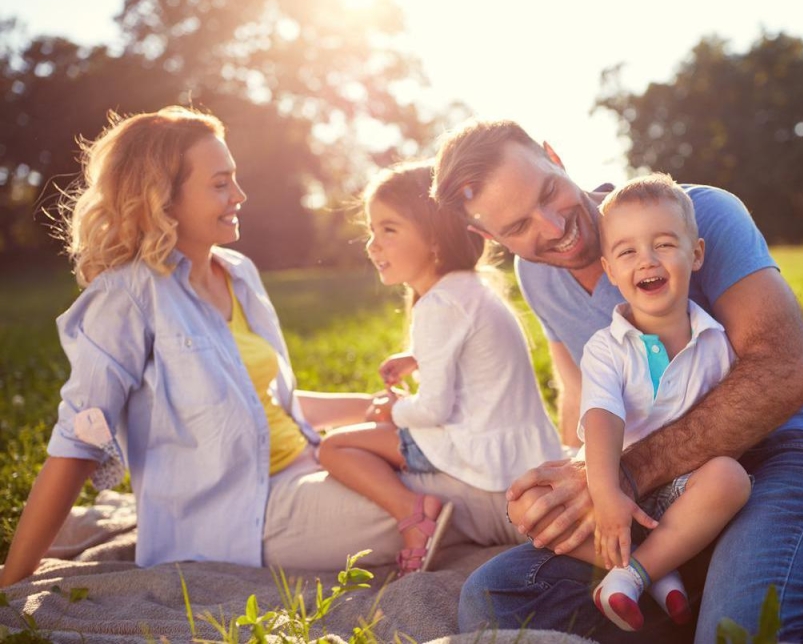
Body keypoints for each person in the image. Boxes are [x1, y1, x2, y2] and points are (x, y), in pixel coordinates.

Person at [432, 118, 803, 643]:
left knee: (752, 635)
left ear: (553, 155)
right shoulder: (538, 277)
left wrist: (625, 474)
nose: (554, 224)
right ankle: (696, 589)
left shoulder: (698, 213)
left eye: (548, 192)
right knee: (498, 599)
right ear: (491, 239)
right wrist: (572, 484)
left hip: (780, 452)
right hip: (663, 495)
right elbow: (585, 397)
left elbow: (786, 371)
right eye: (518, 226)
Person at [0, 107, 524, 588]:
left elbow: (273, 406)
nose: (239, 196)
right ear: (164, 197)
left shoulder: (239, 274)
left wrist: (379, 411)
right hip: (243, 516)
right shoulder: (125, 297)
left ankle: (569, 504)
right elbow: (78, 442)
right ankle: (563, 522)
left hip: (308, 464)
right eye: (220, 183)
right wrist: (13, 578)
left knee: (457, 456)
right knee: (454, 496)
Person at [507, 174, 750, 631]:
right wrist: (607, 493)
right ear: (611, 270)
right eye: (627, 253)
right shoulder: (606, 347)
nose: (647, 261)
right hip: (614, 487)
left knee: (730, 478)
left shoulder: (717, 341)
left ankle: (632, 575)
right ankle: (658, 570)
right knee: (528, 504)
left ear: (695, 254)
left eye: (663, 244)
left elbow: (731, 424)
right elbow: (601, 420)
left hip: (684, 491)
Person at [316, 162, 563, 576]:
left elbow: (433, 410)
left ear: (433, 239)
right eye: (372, 230)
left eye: (388, 230)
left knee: (334, 447)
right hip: (525, 451)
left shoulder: (437, 305)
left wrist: (389, 411)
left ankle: (414, 514)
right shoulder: (472, 289)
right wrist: (416, 357)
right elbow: (471, 352)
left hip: (483, 459)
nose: (372, 245)